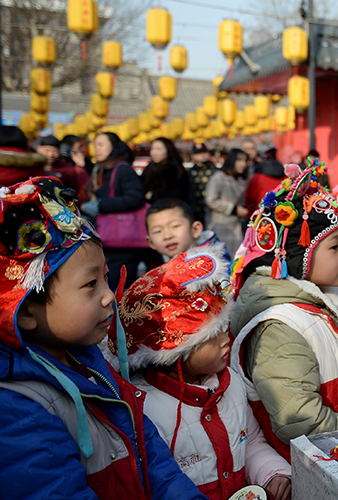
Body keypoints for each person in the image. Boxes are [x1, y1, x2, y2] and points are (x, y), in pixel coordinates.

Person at [0, 177, 206, 500]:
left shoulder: (89, 363)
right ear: (23, 310)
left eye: (106, 279)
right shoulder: (15, 410)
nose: (109, 296)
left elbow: (153, 460)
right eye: (90, 285)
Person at [227, 161, 338, 460]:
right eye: (335, 247)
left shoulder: (320, 303)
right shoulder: (279, 326)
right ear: (297, 256)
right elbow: (300, 418)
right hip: (321, 467)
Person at [112, 244, 291, 500]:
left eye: (223, 327)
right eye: (211, 334)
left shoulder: (231, 384)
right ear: (176, 350)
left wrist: (273, 473)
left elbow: (250, 443)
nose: (225, 340)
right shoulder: (145, 409)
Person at [79, 131, 146, 291]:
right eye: (95, 145)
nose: (97, 149)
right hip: (107, 238)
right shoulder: (101, 169)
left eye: (101, 145)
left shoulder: (123, 169)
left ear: (114, 147)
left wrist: (101, 205)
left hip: (122, 242)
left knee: (118, 287)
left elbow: (135, 198)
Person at [146, 198, 226, 261]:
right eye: (158, 231)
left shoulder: (216, 261)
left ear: (195, 229)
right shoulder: (161, 269)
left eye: (175, 226)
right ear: (151, 243)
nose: (167, 236)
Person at [206, 149, 250, 255]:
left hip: (235, 225)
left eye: (245, 161)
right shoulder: (219, 177)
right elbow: (211, 200)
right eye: (239, 160)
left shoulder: (241, 179)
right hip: (220, 224)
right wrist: (234, 209)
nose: (243, 164)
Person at [143, 137, 192, 205]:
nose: (154, 152)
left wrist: (153, 195)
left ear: (168, 150)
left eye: (159, 149)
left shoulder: (177, 170)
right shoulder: (149, 169)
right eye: (152, 149)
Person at [244, 148, 284, 214]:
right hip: (282, 215)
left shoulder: (257, 177)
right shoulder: (285, 176)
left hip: (261, 216)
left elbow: (249, 200)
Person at [188, 143, 216, 224]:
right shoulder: (189, 173)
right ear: (193, 156)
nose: (202, 155)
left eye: (204, 152)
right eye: (199, 153)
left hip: (212, 211)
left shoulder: (215, 171)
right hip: (196, 210)